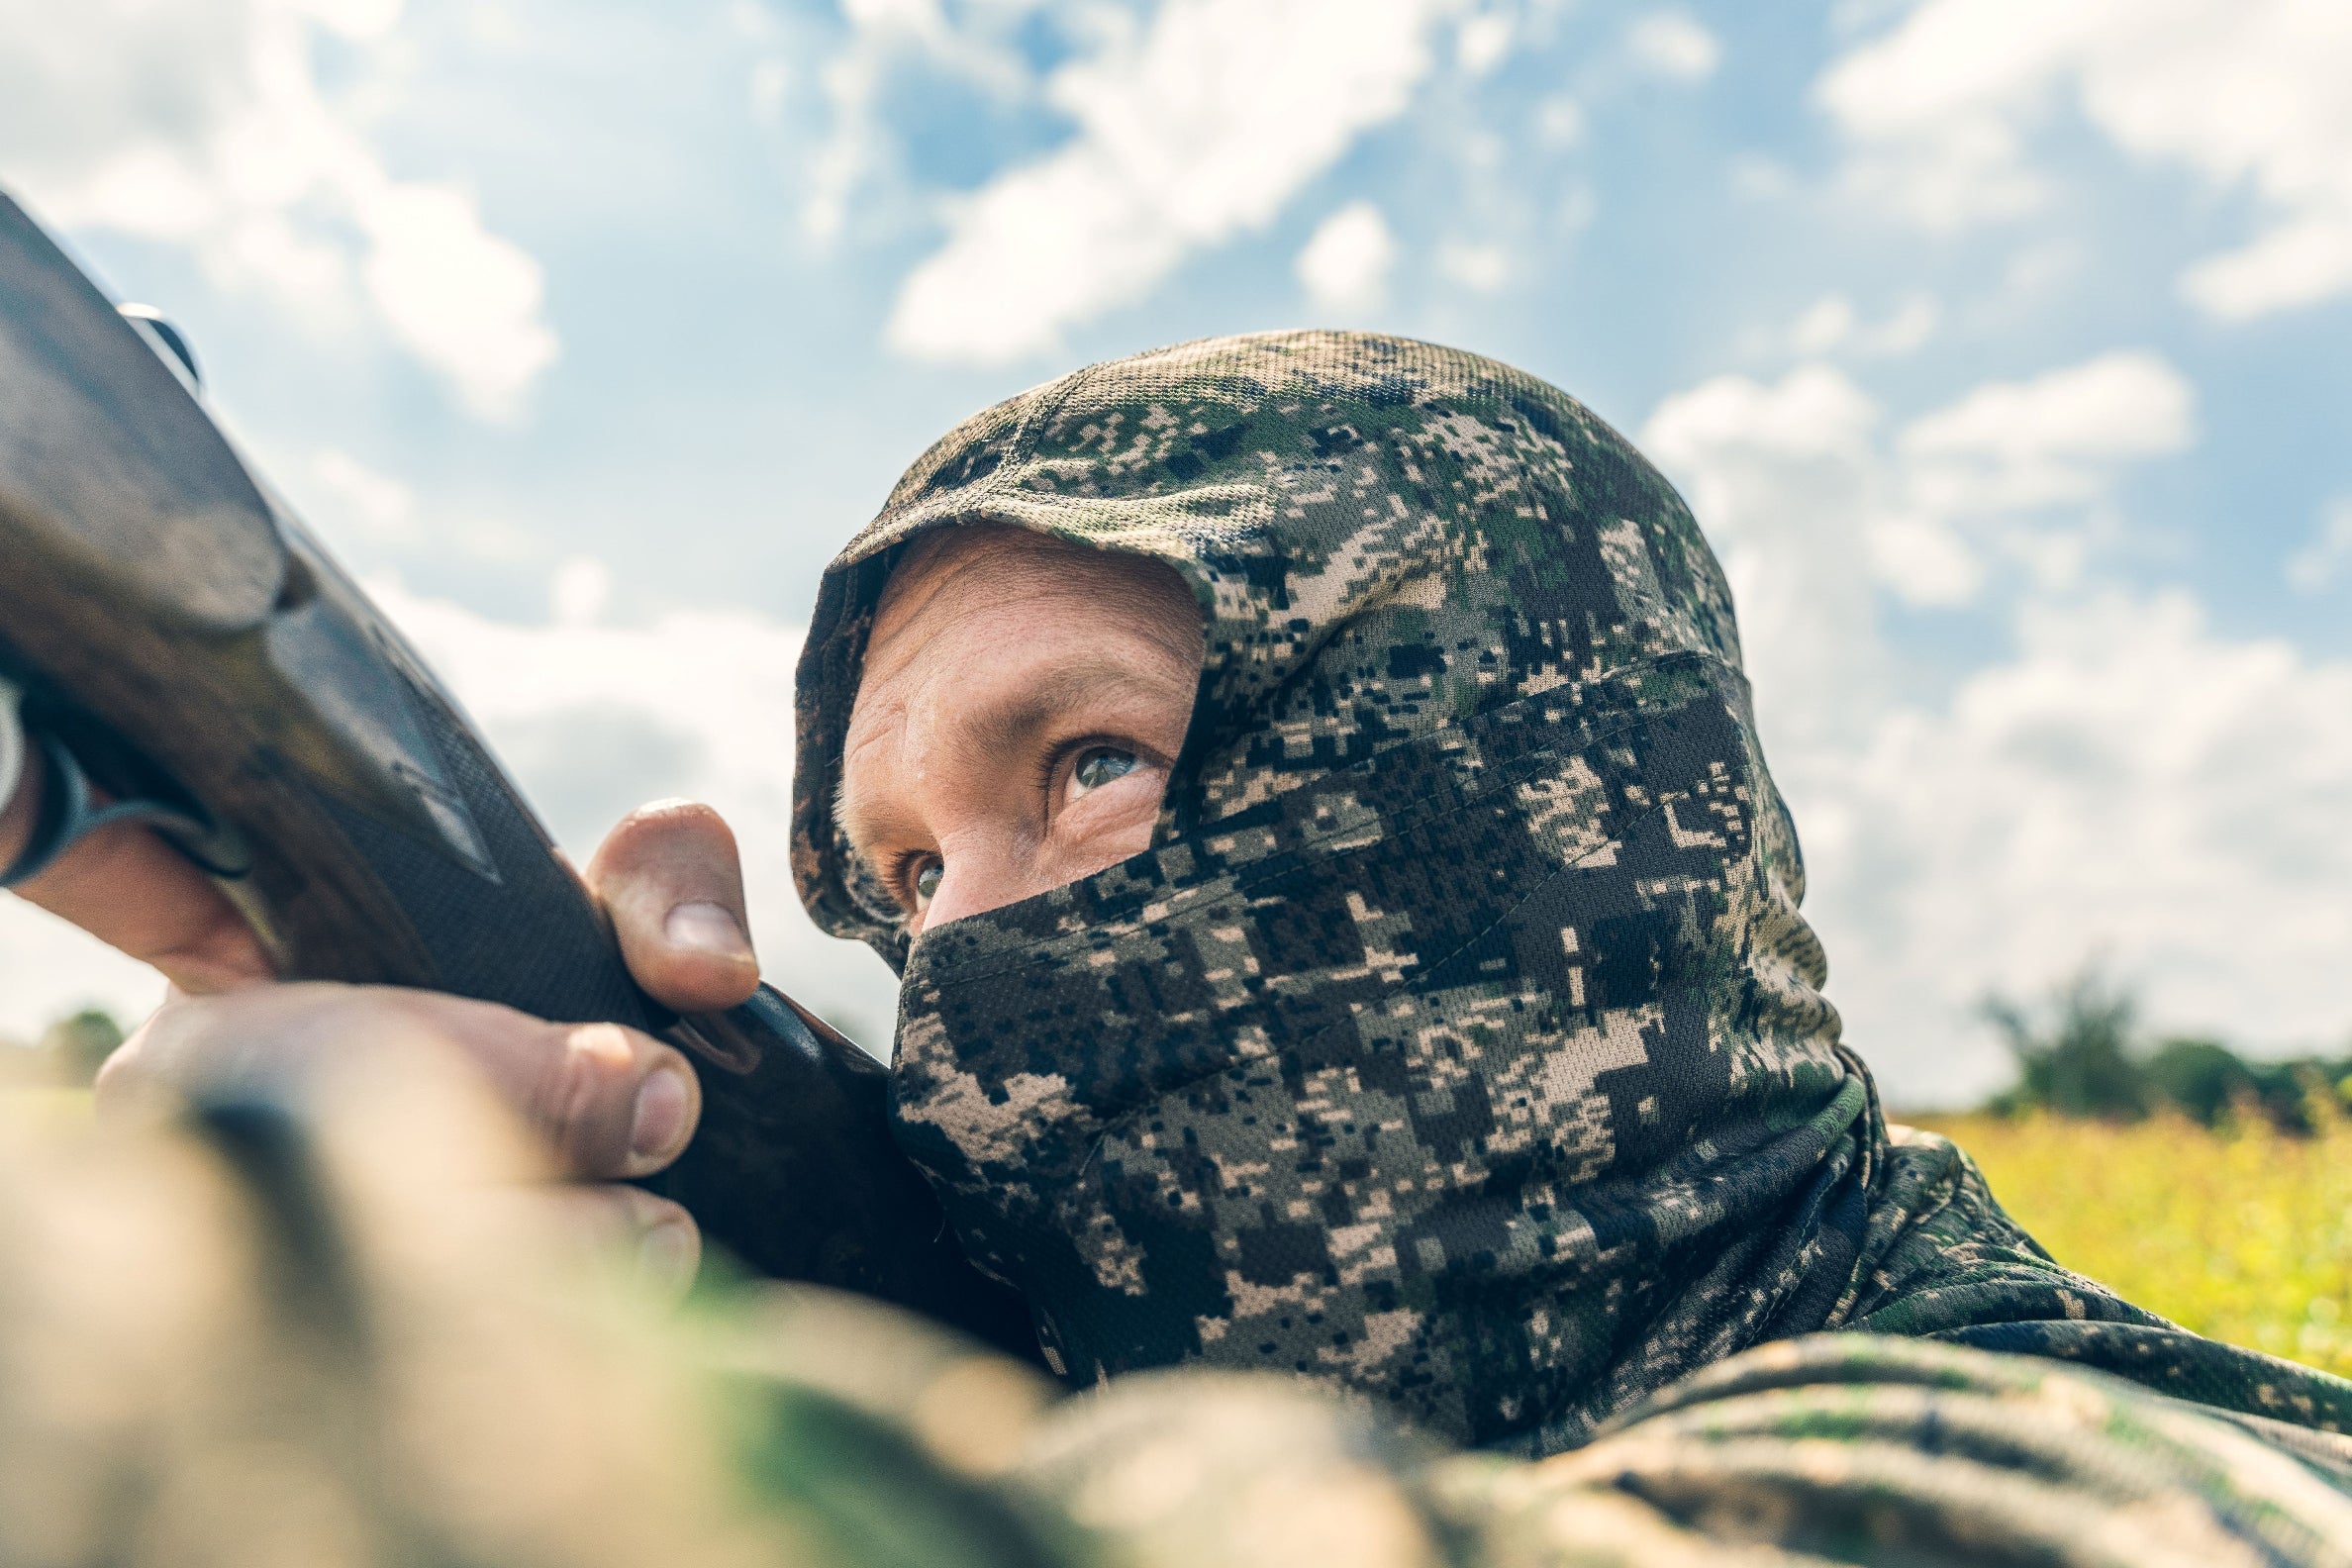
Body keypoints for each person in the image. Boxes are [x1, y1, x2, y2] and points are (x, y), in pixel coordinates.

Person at [7, 331, 2352, 1564]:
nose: (967, 965)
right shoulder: (1054, 1412)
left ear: (1559, 794)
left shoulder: (2098, 1458)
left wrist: (270, 1344)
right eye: (901, 881)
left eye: (1092, 766)